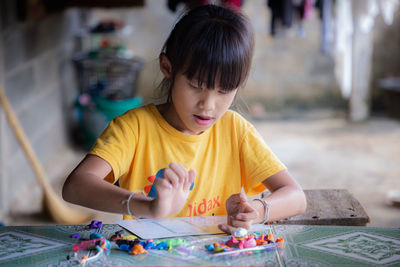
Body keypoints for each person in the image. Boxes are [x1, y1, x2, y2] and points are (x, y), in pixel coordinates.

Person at [62, 4, 306, 233]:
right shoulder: (134, 129)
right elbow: (75, 186)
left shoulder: (235, 131)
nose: (208, 105)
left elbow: (295, 195)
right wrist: (147, 206)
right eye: (195, 85)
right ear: (168, 68)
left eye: (224, 91)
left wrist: (257, 210)